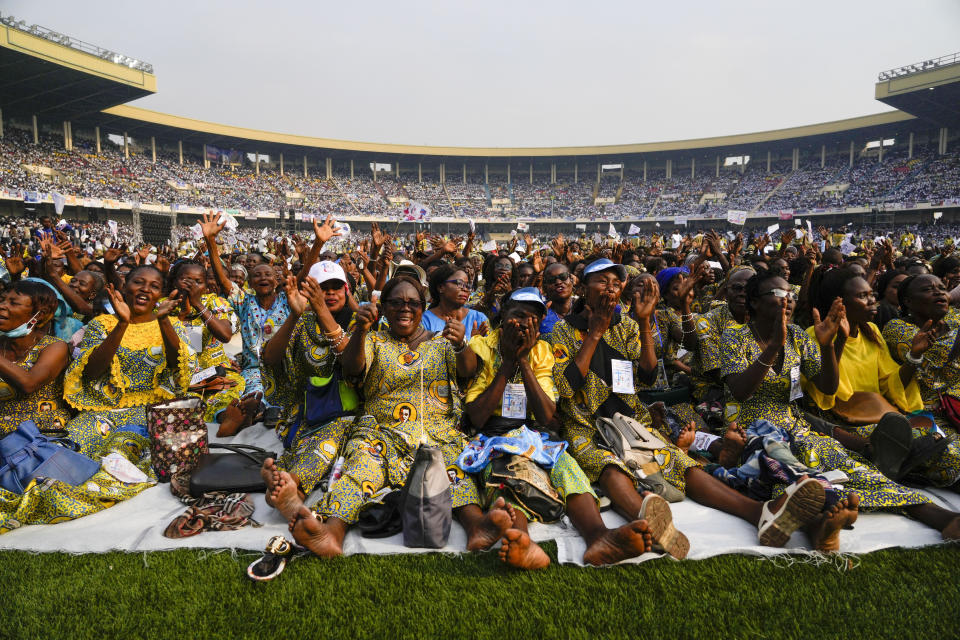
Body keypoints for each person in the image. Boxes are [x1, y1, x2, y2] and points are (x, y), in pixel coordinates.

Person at [549, 259, 828, 551]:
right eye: (602, 281)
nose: (611, 288)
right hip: (585, 424)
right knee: (608, 468)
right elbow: (567, 388)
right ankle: (647, 519)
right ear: (583, 287)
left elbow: (646, 377)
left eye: (616, 283)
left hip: (629, 419)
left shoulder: (628, 326)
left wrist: (645, 323)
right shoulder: (563, 331)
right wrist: (594, 333)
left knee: (682, 464)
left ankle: (760, 513)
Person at [262, 276, 511, 558]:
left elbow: (467, 370)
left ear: (423, 307)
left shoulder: (441, 343)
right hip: (381, 431)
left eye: (412, 303)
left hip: (435, 430)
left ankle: (477, 526)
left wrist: (460, 344)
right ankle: (332, 533)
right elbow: (352, 366)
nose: (405, 308)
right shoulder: (375, 340)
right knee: (358, 470)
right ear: (385, 308)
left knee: (454, 469)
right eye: (396, 302)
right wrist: (360, 331)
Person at [721, 272, 960, 547]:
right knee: (793, 471)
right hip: (751, 425)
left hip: (795, 423)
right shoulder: (735, 336)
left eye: (791, 295)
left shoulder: (797, 336)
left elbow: (827, 386)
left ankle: (941, 517)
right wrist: (774, 345)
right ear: (754, 303)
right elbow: (740, 391)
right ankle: (821, 521)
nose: (787, 301)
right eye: (778, 295)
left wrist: (830, 345)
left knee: (851, 466)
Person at [462, 287, 653, 567]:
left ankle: (599, 537)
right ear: (503, 315)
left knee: (568, 469)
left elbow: (546, 413)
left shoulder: (541, 350)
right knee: (507, 476)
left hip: (534, 432)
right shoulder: (481, 346)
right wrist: (506, 363)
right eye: (518, 316)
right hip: (493, 434)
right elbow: (477, 416)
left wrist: (523, 360)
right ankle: (521, 540)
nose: (524, 325)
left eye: (533, 321)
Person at [64, 265, 195, 456]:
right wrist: (122, 324)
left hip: (152, 413)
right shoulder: (101, 324)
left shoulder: (173, 325)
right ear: (125, 287)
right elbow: (90, 372)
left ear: (160, 294)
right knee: (69, 446)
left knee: (118, 455)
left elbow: (180, 366)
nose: (145, 289)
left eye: (154, 286)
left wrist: (164, 320)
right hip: (104, 411)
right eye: (138, 282)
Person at [262, 262, 358, 499]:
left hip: (348, 411)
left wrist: (321, 311)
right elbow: (271, 359)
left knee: (330, 440)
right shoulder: (302, 321)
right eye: (323, 288)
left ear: (347, 290)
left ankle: (292, 485)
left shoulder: (358, 322)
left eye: (337, 287)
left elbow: (352, 364)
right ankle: (285, 484)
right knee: (312, 437)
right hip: (307, 410)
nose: (331, 294)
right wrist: (295, 316)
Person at [880, 273, 960, 487]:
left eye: (942, 288)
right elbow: (937, 362)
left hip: (957, 407)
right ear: (907, 301)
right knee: (951, 456)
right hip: (927, 413)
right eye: (927, 289)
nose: (938, 292)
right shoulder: (896, 328)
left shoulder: (954, 319)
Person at [165, 260, 245, 436]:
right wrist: (180, 316)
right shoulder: (164, 306)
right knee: (182, 402)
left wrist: (198, 305)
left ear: (206, 285)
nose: (191, 286)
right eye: (186, 280)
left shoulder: (214, 302)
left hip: (215, 373)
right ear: (174, 281)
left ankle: (227, 418)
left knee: (225, 394)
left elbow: (225, 335)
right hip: (179, 377)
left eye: (198, 282)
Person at [0, 279, 71, 435]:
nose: (2, 306)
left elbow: (29, 384)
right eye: (2, 300)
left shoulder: (54, 347)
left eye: (14, 303)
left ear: (40, 315)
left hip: (41, 432)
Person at [422, 264, 488, 342]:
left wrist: (475, 344)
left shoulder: (479, 318)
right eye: (459, 283)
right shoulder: (425, 320)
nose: (465, 289)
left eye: (468, 286)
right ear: (441, 287)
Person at [539, 262, 574, 337]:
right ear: (545, 286)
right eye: (551, 279)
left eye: (563, 277)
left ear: (571, 280)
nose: (558, 282)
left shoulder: (583, 308)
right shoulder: (539, 311)